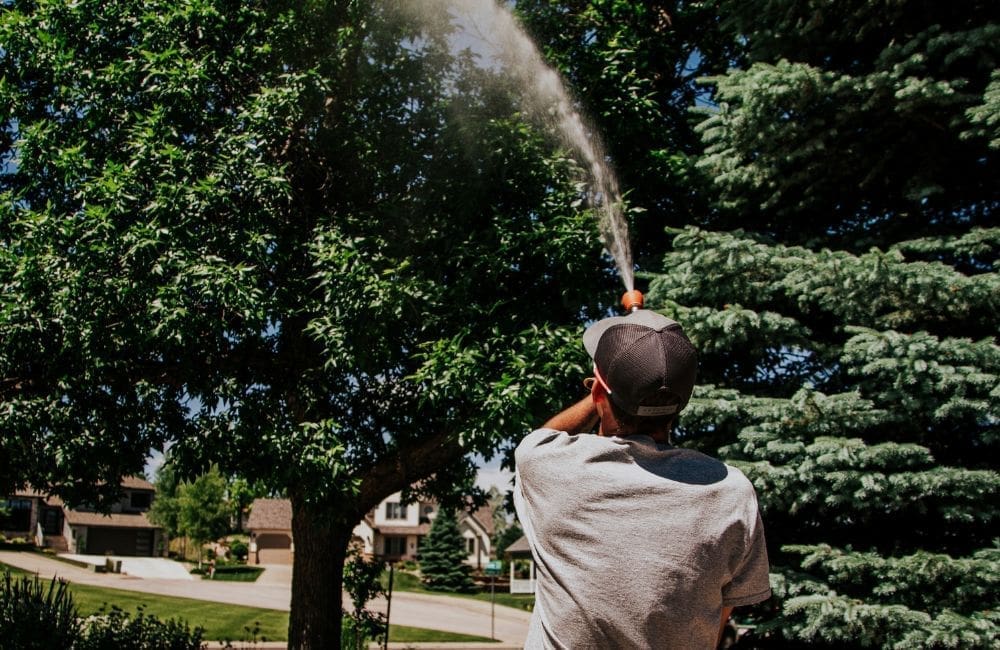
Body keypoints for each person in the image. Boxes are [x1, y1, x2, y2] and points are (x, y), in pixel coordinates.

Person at [514, 309, 771, 649]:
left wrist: (606, 388)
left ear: (598, 395)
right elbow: (722, 611)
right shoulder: (731, 491)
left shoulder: (551, 466)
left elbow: (543, 437)